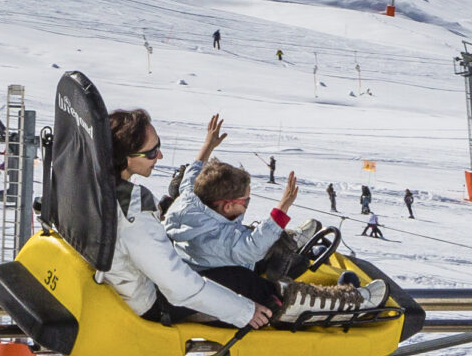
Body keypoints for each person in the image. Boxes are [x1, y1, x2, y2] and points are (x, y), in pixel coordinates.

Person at [124, 116, 378, 325]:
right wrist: (282, 208)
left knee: (256, 250)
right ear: (227, 205)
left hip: (201, 266)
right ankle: (346, 302)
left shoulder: (188, 199)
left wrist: (208, 145)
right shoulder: (221, 239)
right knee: (264, 285)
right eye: (245, 201)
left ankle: (284, 247)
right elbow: (251, 247)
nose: (247, 204)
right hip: (219, 276)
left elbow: (193, 172)